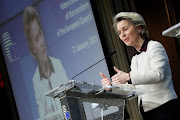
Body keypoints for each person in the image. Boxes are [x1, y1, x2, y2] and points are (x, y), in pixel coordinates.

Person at [100, 12, 179, 120]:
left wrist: (128, 77)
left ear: (139, 28)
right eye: (119, 32)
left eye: (125, 29)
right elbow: (135, 88)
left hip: (165, 108)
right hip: (148, 113)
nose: (122, 35)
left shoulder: (154, 46)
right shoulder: (135, 59)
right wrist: (111, 87)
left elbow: (158, 75)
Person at [23, 6, 68, 120]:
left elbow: (70, 99)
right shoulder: (36, 81)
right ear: (32, 48)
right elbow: (42, 116)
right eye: (36, 39)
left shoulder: (58, 64)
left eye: (40, 34)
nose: (42, 42)